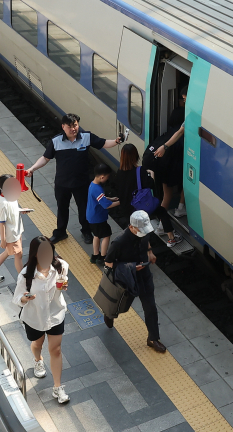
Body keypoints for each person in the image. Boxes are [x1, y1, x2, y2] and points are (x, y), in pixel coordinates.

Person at [26, 113, 122, 245]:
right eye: (70, 126)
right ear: (63, 127)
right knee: (62, 208)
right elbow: (45, 158)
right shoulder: (56, 141)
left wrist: (116, 141)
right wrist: (32, 169)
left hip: (81, 182)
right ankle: (60, 232)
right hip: (62, 183)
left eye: (75, 125)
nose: (73, 129)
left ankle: (86, 231)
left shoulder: (86, 137)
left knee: (83, 208)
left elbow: (103, 143)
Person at [11, 236, 71, 405]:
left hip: (55, 314)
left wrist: (65, 286)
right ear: (36, 254)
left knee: (56, 349)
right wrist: (25, 298)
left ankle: (57, 387)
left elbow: (63, 283)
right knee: (37, 344)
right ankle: (38, 360)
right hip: (34, 317)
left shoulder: (61, 267)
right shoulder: (26, 275)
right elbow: (17, 297)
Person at [103, 210, 167, 353]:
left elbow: (146, 241)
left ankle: (153, 338)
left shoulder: (143, 233)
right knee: (120, 305)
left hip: (144, 275)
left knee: (150, 306)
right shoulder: (119, 242)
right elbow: (108, 263)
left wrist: (150, 252)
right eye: (141, 231)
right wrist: (131, 267)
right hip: (127, 278)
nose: (144, 233)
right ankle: (109, 314)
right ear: (131, 227)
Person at [111, 144, 179, 246]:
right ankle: (171, 238)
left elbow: (117, 189)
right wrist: (151, 174)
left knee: (137, 230)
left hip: (127, 209)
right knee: (161, 211)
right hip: (141, 207)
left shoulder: (119, 173)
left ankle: (138, 246)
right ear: (136, 156)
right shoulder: (140, 170)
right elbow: (150, 185)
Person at [0, 175, 33, 284]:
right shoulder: (3, 203)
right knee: (18, 256)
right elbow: (2, 223)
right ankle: (24, 281)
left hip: (16, 232)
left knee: (9, 253)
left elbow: (12, 211)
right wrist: (3, 240)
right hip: (11, 235)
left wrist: (21, 210)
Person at [152, 85, 187, 218]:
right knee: (186, 184)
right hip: (176, 170)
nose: (184, 102)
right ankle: (180, 208)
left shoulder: (166, 135)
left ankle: (161, 224)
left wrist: (164, 147)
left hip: (165, 170)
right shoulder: (182, 139)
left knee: (167, 195)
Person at [86, 163, 118, 264]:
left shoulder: (93, 185)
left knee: (96, 235)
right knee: (106, 235)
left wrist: (110, 198)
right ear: (102, 177)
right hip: (98, 218)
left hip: (92, 216)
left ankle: (95, 255)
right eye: (107, 177)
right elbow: (106, 205)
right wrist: (120, 202)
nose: (107, 179)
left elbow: (100, 198)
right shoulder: (98, 189)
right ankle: (103, 257)